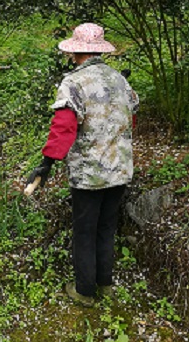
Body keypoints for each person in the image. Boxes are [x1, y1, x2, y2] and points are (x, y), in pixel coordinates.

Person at [25, 23, 139, 307]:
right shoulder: (120, 80)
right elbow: (130, 120)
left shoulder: (73, 83)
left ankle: (84, 291)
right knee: (106, 227)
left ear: (75, 51)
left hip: (89, 175)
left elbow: (64, 128)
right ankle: (106, 284)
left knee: (85, 230)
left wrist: (46, 164)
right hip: (120, 169)